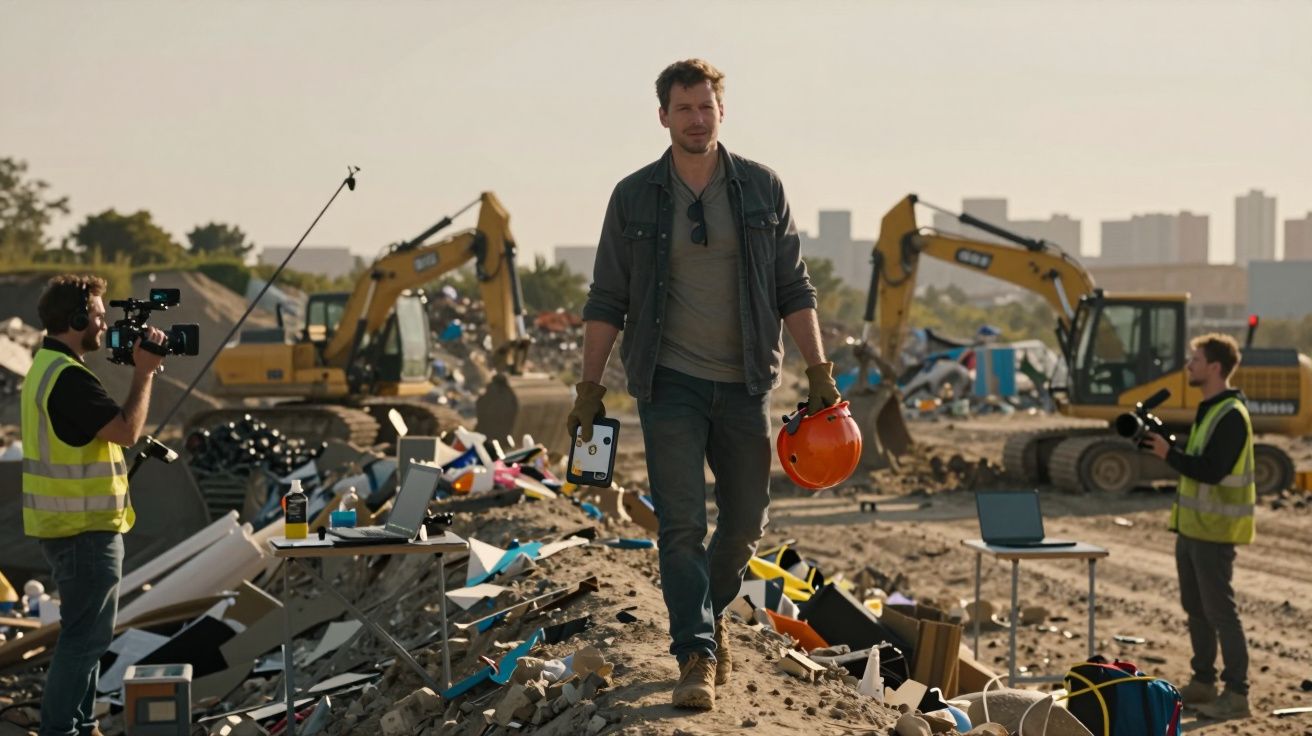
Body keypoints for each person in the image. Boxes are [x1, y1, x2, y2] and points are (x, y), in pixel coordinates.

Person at [570, 58, 839, 710]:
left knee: (746, 521)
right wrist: (587, 388)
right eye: (683, 108)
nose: (696, 119)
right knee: (682, 524)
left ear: (722, 111)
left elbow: (792, 287)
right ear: (662, 115)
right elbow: (607, 297)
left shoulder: (761, 189)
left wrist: (820, 369)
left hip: (745, 382)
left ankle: (707, 615)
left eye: (705, 107)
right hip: (669, 383)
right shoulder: (633, 196)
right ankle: (696, 652)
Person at [22, 275, 166, 736]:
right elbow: (126, 431)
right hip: (83, 529)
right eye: (100, 316)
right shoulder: (66, 378)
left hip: (72, 526)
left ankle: (79, 726)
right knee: (85, 640)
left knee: (85, 638)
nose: (106, 325)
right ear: (77, 319)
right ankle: (62, 730)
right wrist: (143, 372)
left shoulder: (47, 367)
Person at [1143, 333, 1253, 720]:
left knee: (1221, 611)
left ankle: (1236, 693)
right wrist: (1171, 449)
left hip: (1215, 532)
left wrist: (1168, 454)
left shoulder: (1232, 415)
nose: (1189, 365)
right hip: (1192, 529)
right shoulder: (1210, 409)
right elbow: (1199, 459)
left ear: (1216, 368)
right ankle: (1203, 681)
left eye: (1196, 359)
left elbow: (1212, 469)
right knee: (1196, 609)